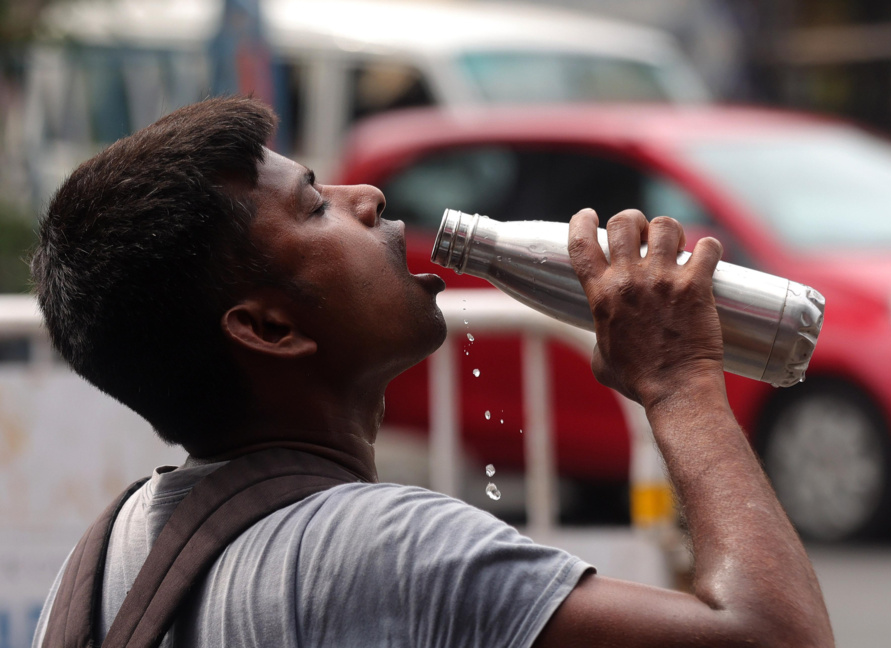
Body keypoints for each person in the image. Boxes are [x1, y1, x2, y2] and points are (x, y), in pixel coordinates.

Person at [30, 96, 834, 647]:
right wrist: (680, 379)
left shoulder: (104, 558)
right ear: (269, 328)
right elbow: (775, 637)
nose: (369, 197)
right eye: (315, 208)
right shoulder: (384, 548)